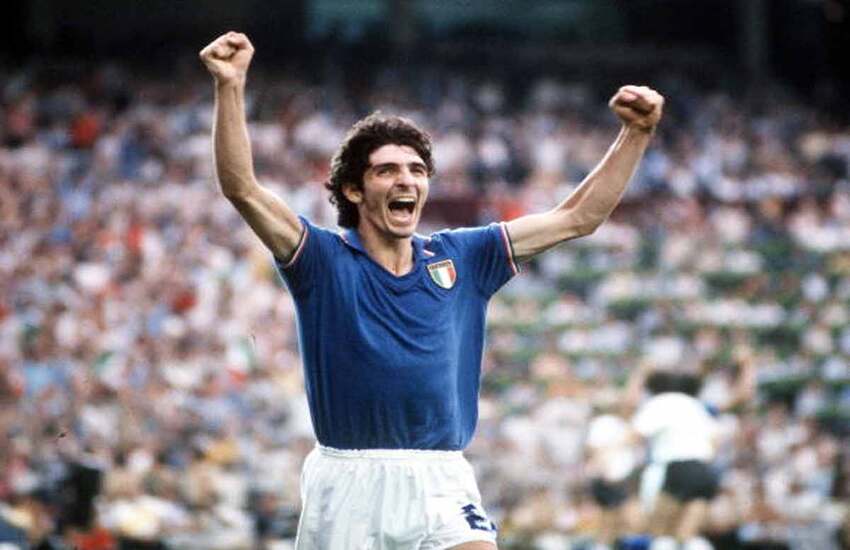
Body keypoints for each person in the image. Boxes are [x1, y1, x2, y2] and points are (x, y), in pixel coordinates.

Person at [199, 30, 664, 550]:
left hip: (442, 476)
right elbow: (242, 187)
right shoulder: (321, 260)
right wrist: (230, 86)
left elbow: (578, 217)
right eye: (387, 170)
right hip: (349, 479)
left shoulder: (464, 255)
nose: (407, 180)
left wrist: (636, 134)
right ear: (353, 190)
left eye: (417, 170)